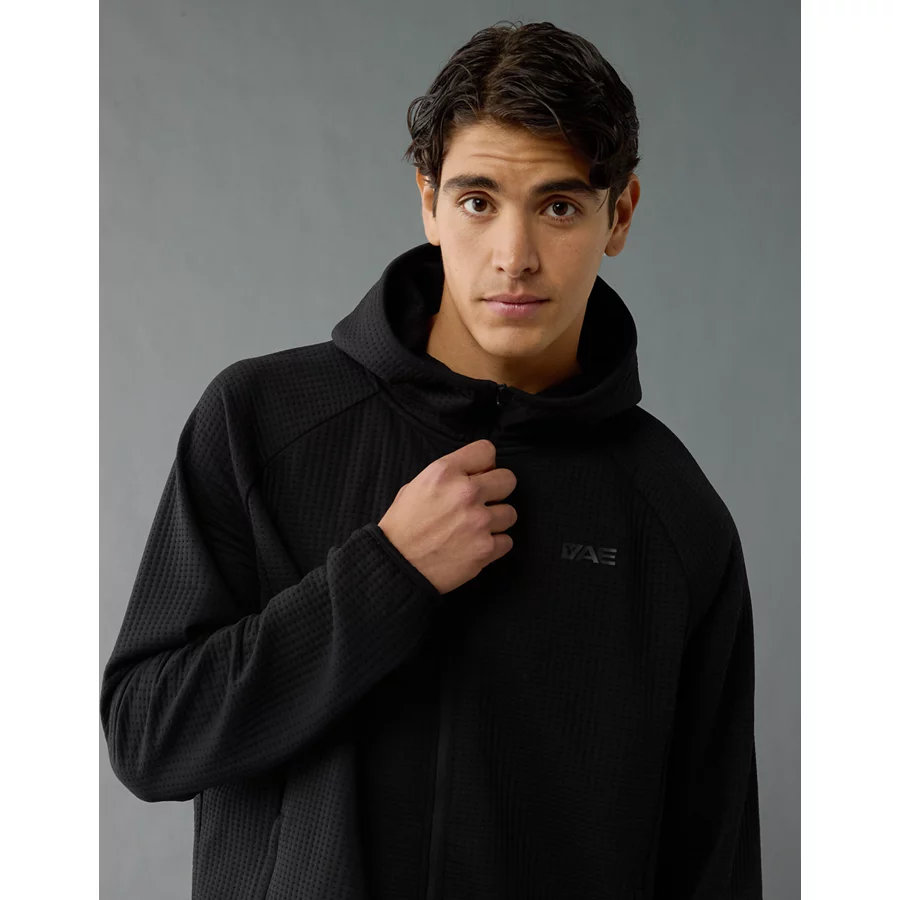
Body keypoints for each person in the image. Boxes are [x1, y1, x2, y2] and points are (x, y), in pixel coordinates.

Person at [100, 19, 763, 900]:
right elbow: (150, 738)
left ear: (621, 214)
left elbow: (714, 862)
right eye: (478, 201)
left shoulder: (673, 514)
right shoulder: (261, 420)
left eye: (559, 207)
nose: (514, 258)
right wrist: (386, 576)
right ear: (428, 200)